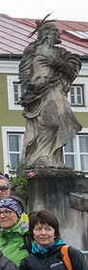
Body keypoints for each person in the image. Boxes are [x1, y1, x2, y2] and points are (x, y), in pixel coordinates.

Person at [20, 21, 83, 168]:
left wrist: (56, 63)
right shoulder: (32, 50)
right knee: (49, 123)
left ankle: (53, 159)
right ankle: (38, 157)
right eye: (56, 31)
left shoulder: (61, 53)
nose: (59, 34)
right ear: (46, 34)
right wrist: (28, 84)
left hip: (56, 90)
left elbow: (73, 68)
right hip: (38, 91)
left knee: (59, 124)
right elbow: (23, 71)